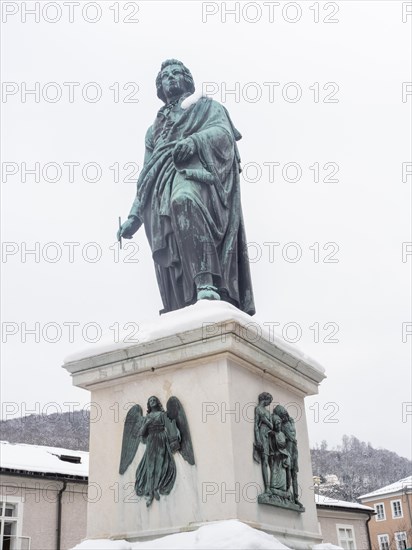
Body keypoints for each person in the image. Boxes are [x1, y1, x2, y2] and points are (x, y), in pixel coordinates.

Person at [118, 59, 255, 315]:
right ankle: (184, 298)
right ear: (159, 86)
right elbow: (146, 173)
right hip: (159, 187)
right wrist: (133, 216)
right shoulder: (153, 130)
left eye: (175, 73)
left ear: (187, 80)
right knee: (172, 217)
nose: (170, 78)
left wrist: (194, 142)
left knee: (184, 200)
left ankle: (206, 282)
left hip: (198, 175)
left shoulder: (207, 107)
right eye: (165, 76)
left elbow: (224, 135)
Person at [135, 396, 177, 507]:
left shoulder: (162, 415)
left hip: (161, 440)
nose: (153, 402)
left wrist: (173, 440)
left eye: (154, 400)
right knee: (150, 467)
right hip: (151, 441)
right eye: (150, 401)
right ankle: (149, 492)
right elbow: (140, 433)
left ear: (157, 402)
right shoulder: (147, 417)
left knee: (159, 465)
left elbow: (170, 426)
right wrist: (147, 424)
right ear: (148, 404)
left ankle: (156, 488)